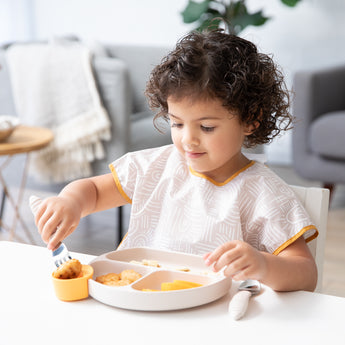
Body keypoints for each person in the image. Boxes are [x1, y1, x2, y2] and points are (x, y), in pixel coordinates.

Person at [34, 30, 318, 292]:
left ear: (251, 120)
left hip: (213, 315)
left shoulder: (262, 191)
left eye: (206, 127)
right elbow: (94, 191)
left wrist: (264, 265)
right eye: (177, 123)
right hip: (134, 300)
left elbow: (305, 272)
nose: (188, 140)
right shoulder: (154, 166)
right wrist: (71, 201)